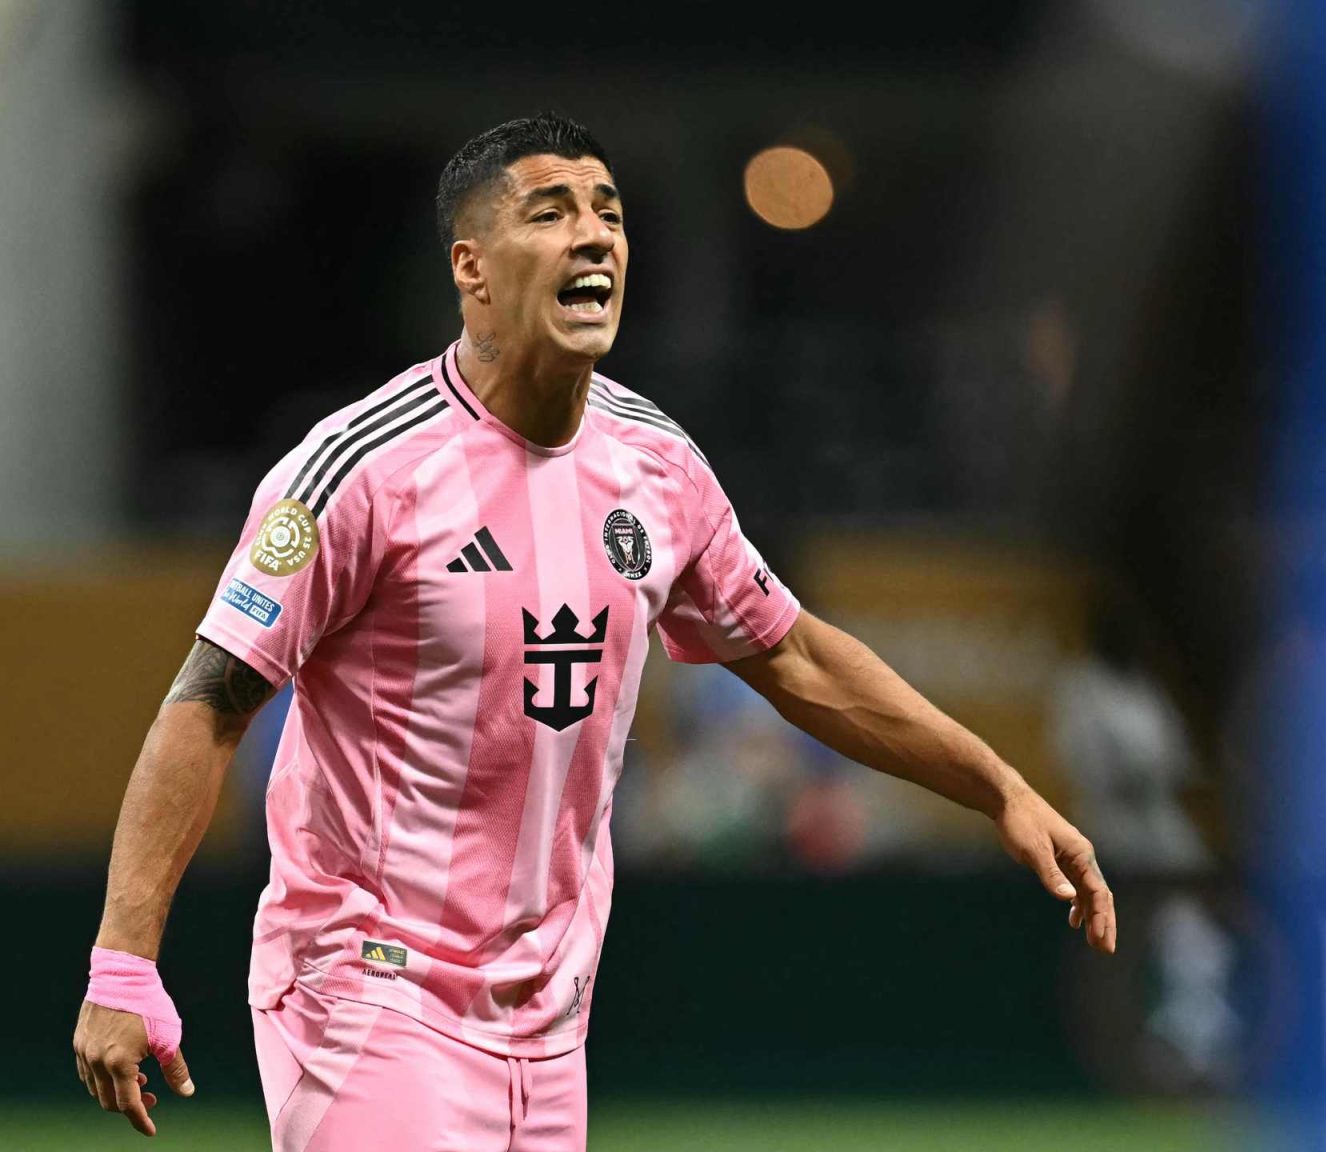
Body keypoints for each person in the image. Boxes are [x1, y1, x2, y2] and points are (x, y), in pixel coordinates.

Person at [73, 111, 1116, 1150]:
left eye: (609, 213)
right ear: (472, 268)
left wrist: (999, 788)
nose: (593, 236)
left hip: (550, 1023)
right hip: (368, 989)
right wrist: (123, 964)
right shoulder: (360, 470)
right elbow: (206, 705)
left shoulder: (657, 466)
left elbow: (795, 656)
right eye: (551, 212)